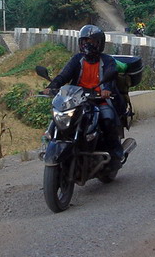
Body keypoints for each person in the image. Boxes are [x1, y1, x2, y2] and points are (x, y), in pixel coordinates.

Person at [45, 24, 126, 163]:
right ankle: (51, 143)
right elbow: (64, 75)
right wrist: (52, 86)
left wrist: (106, 89)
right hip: (78, 100)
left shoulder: (107, 60)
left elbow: (110, 75)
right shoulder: (77, 59)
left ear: (99, 43)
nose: (87, 44)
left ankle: (116, 153)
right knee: (59, 117)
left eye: (91, 41)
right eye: (84, 41)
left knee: (108, 119)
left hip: (100, 100)